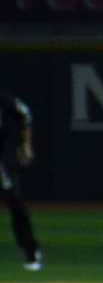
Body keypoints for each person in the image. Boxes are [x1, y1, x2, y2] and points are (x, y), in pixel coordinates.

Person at [1, 89, 42, 271]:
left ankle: (30, 251)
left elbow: (24, 113)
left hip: (2, 158)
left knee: (15, 202)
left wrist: (26, 145)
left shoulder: (4, 100)